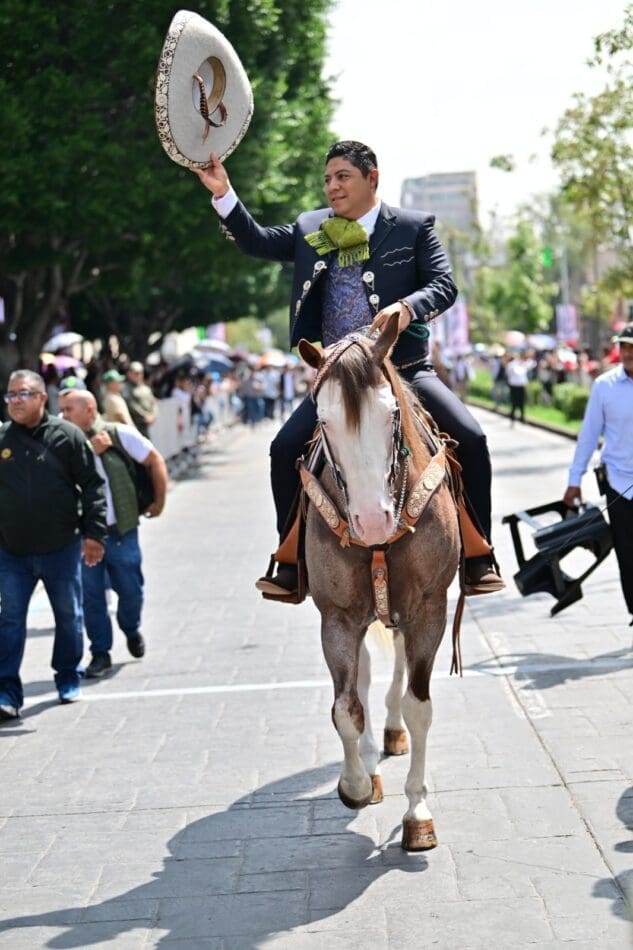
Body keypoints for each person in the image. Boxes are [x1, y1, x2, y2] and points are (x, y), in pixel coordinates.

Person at [194, 140, 502, 598]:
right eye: (327, 179)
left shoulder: (413, 228)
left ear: (372, 178)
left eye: (343, 177)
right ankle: (290, 560)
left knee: (472, 438)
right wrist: (223, 193)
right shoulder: (312, 228)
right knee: (283, 449)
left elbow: (444, 285)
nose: (332, 187)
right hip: (336, 380)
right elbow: (256, 240)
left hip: (405, 372)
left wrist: (407, 307)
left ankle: (478, 554)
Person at [0, 371, 107, 720]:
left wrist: (94, 535)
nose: (16, 401)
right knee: (9, 620)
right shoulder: (2, 439)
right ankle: (7, 693)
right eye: (11, 395)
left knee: (68, 615)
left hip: (61, 547)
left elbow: (92, 487)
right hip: (12, 552)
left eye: (24, 393)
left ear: (42, 397)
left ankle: (67, 676)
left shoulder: (67, 436)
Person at [60, 390, 168, 676]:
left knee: (131, 590)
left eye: (69, 409)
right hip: (83, 535)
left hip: (121, 531)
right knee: (91, 596)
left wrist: (159, 501)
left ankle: (131, 628)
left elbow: (154, 460)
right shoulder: (60, 442)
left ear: (89, 409)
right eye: (62, 409)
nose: (63, 415)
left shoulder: (118, 433)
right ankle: (100, 652)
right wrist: (87, 452)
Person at [563, 323, 633, 626]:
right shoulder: (604, 386)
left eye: (632, 347)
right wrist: (574, 480)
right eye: (624, 346)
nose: (628, 352)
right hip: (617, 482)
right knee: (627, 553)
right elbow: (589, 436)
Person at [125, 361, 158, 438]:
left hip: (148, 422)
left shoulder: (145, 388)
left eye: (140, 373)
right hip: (136, 423)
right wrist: (145, 416)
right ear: (129, 374)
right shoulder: (126, 388)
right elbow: (131, 405)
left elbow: (154, 402)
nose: (138, 375)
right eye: (135, 373)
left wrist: (153, 415)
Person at [505, 351, 536, 424]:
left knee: (521, 401)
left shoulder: (523, 364)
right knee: (514, 401)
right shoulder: (512, 364)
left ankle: (522, 416)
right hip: (514, 386)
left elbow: (533, 363)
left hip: (521, 386)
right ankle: (512, 415)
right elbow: (513, 372)